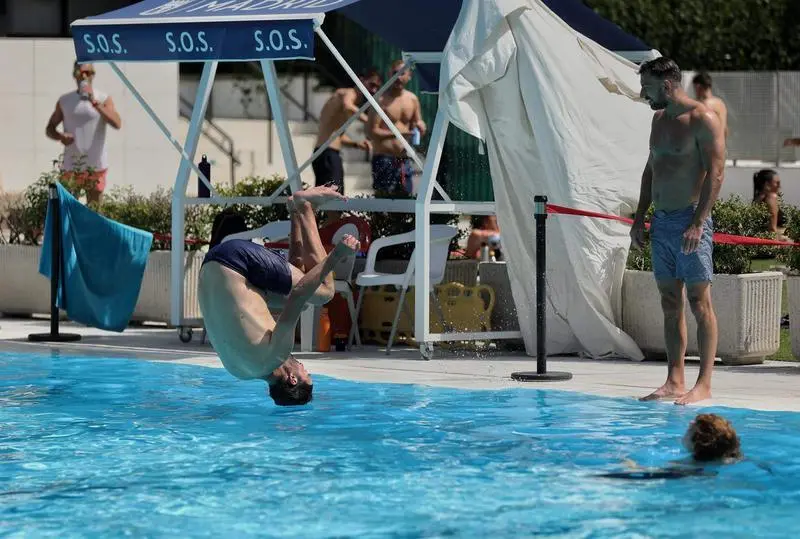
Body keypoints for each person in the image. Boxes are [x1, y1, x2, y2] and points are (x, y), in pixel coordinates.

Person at [198, 185, 360, 406]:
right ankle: (295, 211)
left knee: (324, 292)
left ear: (292, 379)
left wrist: (337, 255)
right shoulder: (240, 372)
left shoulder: (276, 355)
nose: (304, 367)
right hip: (211, 265)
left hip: (235, 261)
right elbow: (295, 290)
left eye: (306, 373)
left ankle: (304, 207)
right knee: (301, 296)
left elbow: (300, 294)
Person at [630, 57, 726, 405]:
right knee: (669, 303)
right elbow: (650, 170)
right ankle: (674, 380)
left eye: (647, 87)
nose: (643, 94)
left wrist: (699, 223)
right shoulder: (658, 120)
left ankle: (703, 384)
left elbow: (715, 175)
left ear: (667, 84)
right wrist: (640, 217)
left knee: (699, 302)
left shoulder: (703, 119)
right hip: (662, 221)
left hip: (689, 221)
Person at [46, 61, 122, 205]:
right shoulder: (65, 100)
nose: (84, 76)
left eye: (88, 73)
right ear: (74, 75)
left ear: (93, 75)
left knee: (95, 212)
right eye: (81, 73)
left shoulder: (103, 98)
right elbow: (49, 129)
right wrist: (60, 136)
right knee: (67, 210)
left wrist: (94, 102)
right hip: (71, 166)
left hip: (96, 167)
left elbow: (117, 123)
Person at [598, 413, 742, 480]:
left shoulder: (688, 467)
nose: (689, 424)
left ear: (697, 442)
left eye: (690, 430)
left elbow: (648, 475)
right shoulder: (734, 459)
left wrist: (629, 464)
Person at [367, 60, 427, 196]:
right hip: (383, 157)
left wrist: (421, 127)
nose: (399, 77)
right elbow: (373, 132)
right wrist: (399, 133)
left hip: (403, 158)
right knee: (383, 201)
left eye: (402, 73)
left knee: (405, 199)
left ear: (409, 76)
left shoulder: (412, 99)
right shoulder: (380, 99)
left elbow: (417, 124)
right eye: (395, 73)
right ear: (390, 74)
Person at [692, 72, 728, 139]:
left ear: (699, 87)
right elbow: (725, 129)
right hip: (721, 144)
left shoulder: (704, 104)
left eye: (694, 88)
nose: (695, 91)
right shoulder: (721, 103)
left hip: (709, 145)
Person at [752, 169, 787, 237]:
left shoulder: (757, 198)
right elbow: (772, 227)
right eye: (777, 183)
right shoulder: (771, 197)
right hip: (777, 237)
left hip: (760, 237)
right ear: (767, 184)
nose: (779, 186)